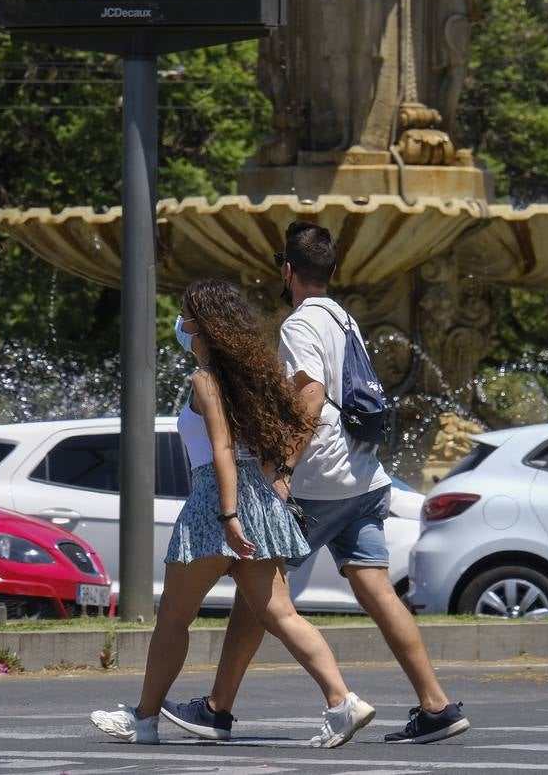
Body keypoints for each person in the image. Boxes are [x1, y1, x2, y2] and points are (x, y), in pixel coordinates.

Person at [161, 224, 470, 745]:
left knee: (261, 592)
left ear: (287, 271)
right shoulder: (345, 318)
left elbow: (310, 396)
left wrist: (281, 471)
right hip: (365, 477)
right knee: (376, 588)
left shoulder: (300, 323)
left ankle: (218, 709)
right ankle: (436, 705)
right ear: (333, 270)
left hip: (318, 481)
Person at [90, 278, 376, 749]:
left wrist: (228, 515)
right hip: (260, 500)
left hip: (215, 505)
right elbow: (284, 426)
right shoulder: (255, 378)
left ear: (201, 326)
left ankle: (143, 719)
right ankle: (342, 701)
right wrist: (264, 488)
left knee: (173, 620)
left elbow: (221, 448)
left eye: (185, 316)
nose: (180, 324)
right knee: (282, 614)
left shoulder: (206, 380)